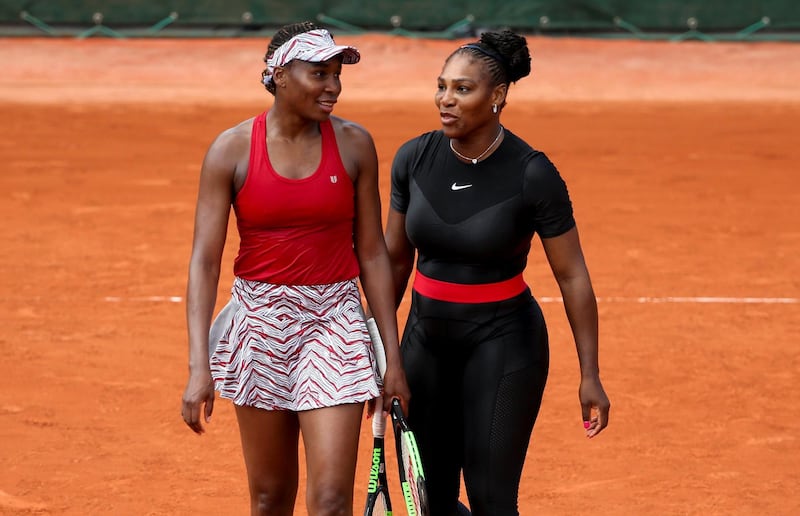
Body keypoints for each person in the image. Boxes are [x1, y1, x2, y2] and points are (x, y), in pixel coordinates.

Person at [180, 21, 410, 515]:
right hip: (258, 325)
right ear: (280, 75)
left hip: (335, 323)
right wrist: (200, 365)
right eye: (319, 73)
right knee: (269, 498)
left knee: (329, 501)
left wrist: (391, 355)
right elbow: (204, 261)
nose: (333, 87)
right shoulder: (231, 149)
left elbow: (372, 253)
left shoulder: (354, 145)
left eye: (337, 75)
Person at [383, 30, 611, 515]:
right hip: (424, 340)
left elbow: (573, 277)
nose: (445, 100)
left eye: (462, 89)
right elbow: (395, 261)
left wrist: (590, 374)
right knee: (431, 499)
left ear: (498, 96)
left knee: (491, 498)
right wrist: (382, 350)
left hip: (504, 342)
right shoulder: (413, 158)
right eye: (442, 86)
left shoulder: (533, 173)